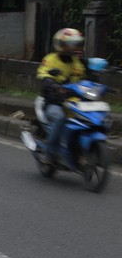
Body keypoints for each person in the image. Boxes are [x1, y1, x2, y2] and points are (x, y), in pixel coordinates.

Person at [36, 28, 86, 164]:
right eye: (71, 44)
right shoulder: (50, 59)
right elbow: (43, 74)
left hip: (75, 102)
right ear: (61, 45)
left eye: (77, 44)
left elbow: (86, 78)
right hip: (54, 101)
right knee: (60, 117)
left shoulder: (78, 62)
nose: (74, 48)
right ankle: (50, 153)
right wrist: (52, 84)